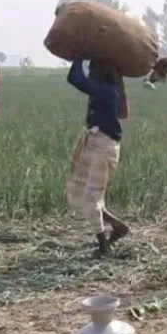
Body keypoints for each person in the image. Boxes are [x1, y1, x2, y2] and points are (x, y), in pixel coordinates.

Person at [65, 58, 130, 258]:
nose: (90, 72)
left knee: (90, 198)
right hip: (99, 145)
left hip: (102, 148)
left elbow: (74, 78)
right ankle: (117, 227)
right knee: (89, 194)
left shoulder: (104, 90)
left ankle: (103, 246)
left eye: (93, 67)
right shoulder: (108, 89)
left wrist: (78, 55)